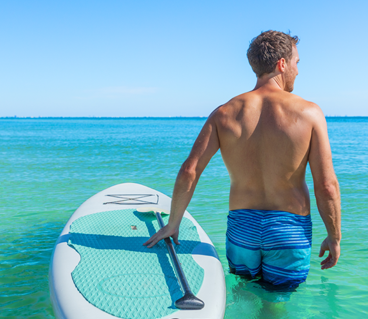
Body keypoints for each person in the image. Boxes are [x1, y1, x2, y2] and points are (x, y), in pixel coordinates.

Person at [144, 30, 341, 287]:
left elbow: (189, 170)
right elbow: (326, 186)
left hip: (242, 227)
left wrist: (173, 223)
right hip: (288, 230)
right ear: (282, 64)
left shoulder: (224, 113)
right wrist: (334, 236)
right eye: (296, 63)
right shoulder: (309, 113)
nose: (297, 70)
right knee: (277, 307)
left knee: (245, 293)